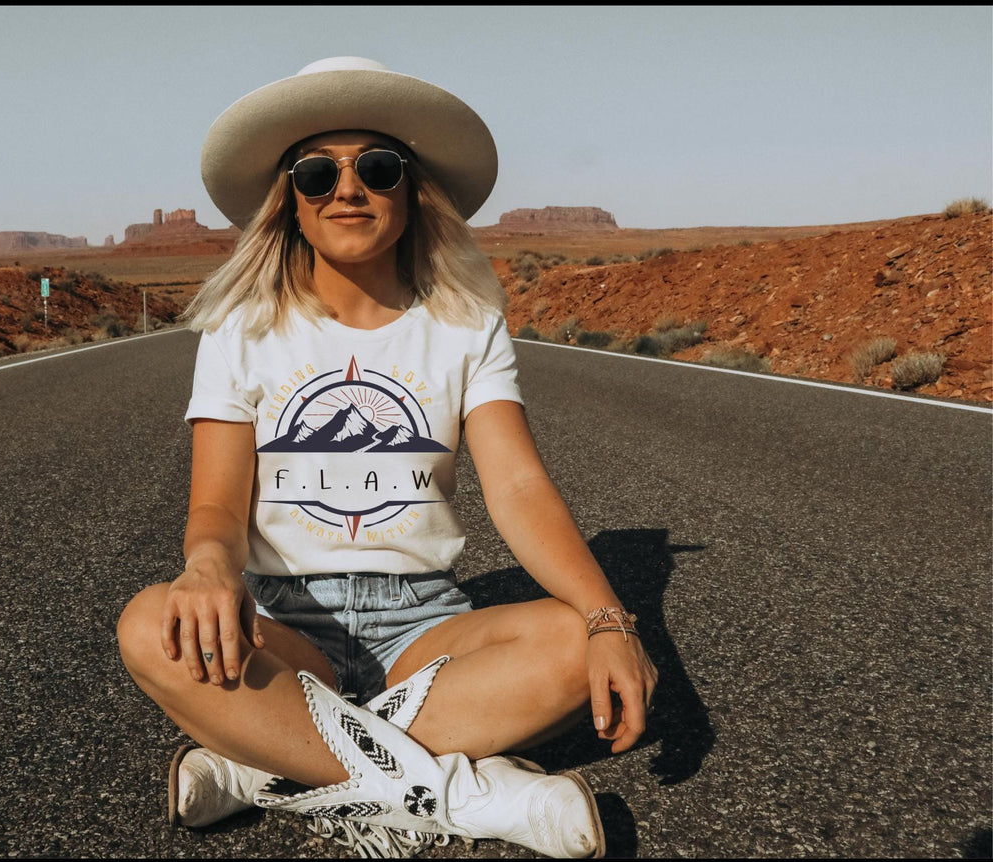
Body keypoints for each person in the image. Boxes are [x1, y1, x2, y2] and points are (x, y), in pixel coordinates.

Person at [117, 56, 658, 858]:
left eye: (376, 167)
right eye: (315, 173)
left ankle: (269, 765)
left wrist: (610, 618)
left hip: (426, 628)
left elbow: (516, 484)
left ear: (410, 190)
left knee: (574, 643)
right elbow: (219, 505)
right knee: (149, 623)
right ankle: (463, 794)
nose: (348, 189)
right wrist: (206, 568)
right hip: (281, 623)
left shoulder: (466, 323)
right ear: (288, 203)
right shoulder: (240, 328)